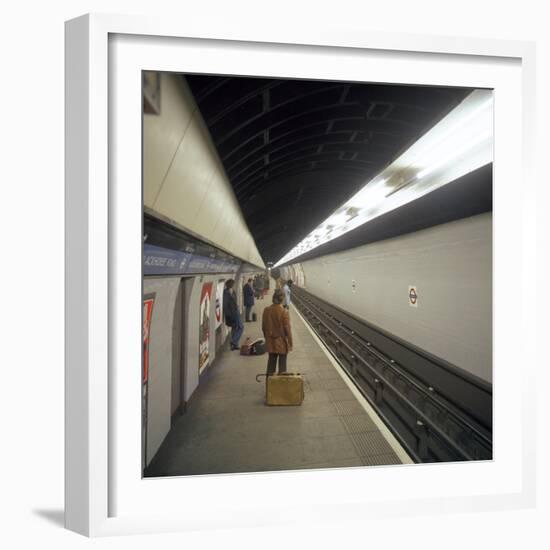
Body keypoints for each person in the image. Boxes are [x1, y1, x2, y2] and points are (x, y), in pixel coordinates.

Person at [262, 289, 293, 375]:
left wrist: (267, 338)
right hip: (281, 342)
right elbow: (288, 329)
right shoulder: (284, 312)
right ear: (282, 299)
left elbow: (263, 327)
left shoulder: (266, 310)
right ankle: (281, 385)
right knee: (282, 367)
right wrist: (290, 343)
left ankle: (269, 383)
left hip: (270, 341)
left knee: (271, 364)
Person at [223, 279, 243, 350]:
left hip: (235, 311)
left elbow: (234, 301)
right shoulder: (225, 293)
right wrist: (229, 315)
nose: (233, 285)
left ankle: (234, 345)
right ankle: (233, 341)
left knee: (234, 328)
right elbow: (225, 305)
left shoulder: (232, 291)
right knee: (241, 327)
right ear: (228, 284)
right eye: (232, 284)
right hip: (232, 313)